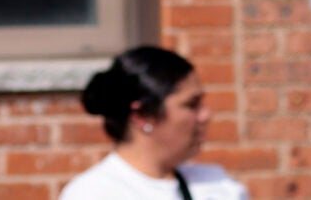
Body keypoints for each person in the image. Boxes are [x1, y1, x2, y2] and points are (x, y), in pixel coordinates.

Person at [59, 47, 246, 200]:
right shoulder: (94, 194)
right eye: (191, 105)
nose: (205, 115)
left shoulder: (218, 186)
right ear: (143, 115)